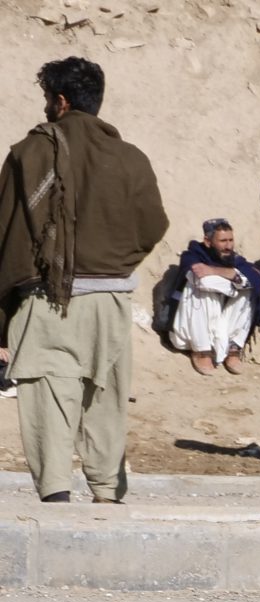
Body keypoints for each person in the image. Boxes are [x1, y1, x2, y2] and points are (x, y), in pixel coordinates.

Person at [0, 58, 168, 503]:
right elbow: (153, 225)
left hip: (47, 300)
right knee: (106, 407)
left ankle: (56, 503)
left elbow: (7, 237)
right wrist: (113, 264)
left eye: (46, 100)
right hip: (112, 301)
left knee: (49, 406)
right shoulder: (132, 158)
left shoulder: (28, 153)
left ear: (60, 101)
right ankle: (107, 497)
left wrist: (5, 313)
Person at [169, 218, 260, 374]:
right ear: (208, 241)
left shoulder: (234, 260)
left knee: (249, 290)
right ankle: (201, 350)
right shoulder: (192, 256)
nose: (228, 246)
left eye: (231, 240)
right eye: (223, 241)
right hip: (190, 332)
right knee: (202, 287)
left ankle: (233, 348)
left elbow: (255, 279)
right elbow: (204, 281)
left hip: (220, 327)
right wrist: (235, 283)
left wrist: (219, 272)